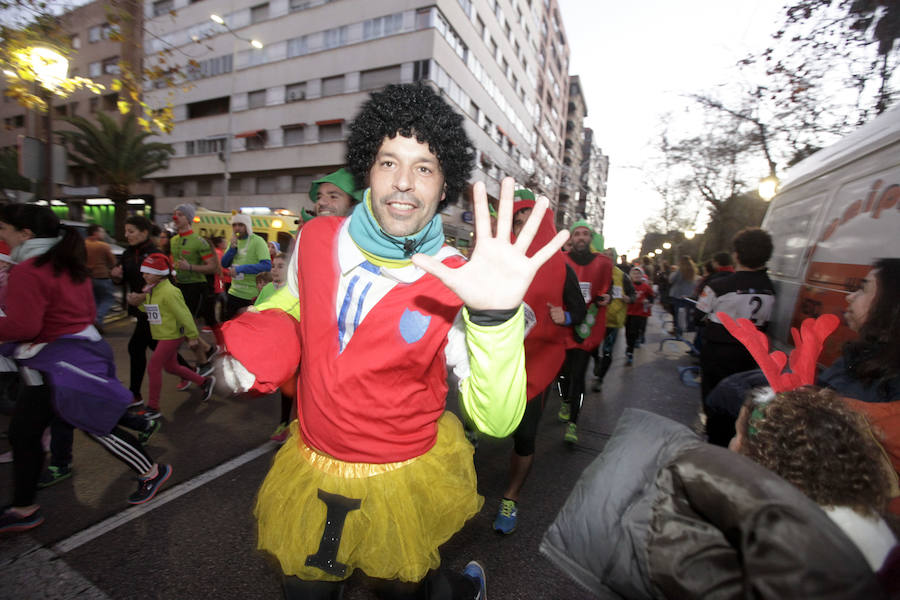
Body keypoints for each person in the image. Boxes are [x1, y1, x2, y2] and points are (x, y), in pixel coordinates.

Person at [216, 83, 567, 599]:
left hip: (403, 475)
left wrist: (494, 317)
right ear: (368, 170)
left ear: (444, 186)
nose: (403, 182)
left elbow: (496, 421)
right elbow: (292, 301)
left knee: (406, 589)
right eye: (389, 162)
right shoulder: (315, 239)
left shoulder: (461, 279)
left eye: (424, 167)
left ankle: (458, 590)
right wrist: (257, 343)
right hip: (313, 463)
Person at [0, 204, 171, 533]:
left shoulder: (30, 269)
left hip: (62, 363)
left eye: (4, 229)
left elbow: (25, 326)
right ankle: (24, 506)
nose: (1, 236)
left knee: (92, 425)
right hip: (70, 357)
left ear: (25, 234)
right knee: (26, 432)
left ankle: (152, 471)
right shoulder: (63, 262)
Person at [491, 190, 585, 535]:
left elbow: (580, 311)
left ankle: (511, 497)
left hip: (536, 366)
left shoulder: (561, 268)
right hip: (495, 361)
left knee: (525, 436)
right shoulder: (498, 260)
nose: (521, 227)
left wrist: (566, 315)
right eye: (516, 221)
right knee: (479, 423)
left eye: (527, 219)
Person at [730, 386, 897, 572]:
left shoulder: (808, 536)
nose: (733, 444)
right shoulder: (854, 512)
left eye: (737, 434)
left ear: (766, 458)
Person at [126, 253, 216, 419]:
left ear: (160, 274)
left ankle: (153, 407)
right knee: (171, 367)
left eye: (149, 272)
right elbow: (153, 309)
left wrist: (192, 336)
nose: (144, 275)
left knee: (153, 367)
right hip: (163, 334)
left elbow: (184, 315)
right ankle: (204, 381)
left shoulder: (169, 292)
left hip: (172, 335)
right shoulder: (152, 288)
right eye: (144, 272)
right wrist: (137, 303)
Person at [696, 227, 775, 400]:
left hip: (719, 349)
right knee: (740, 397)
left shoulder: (718, 286)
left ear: (736, 255)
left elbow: (698, 316)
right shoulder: (771, 288)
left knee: (714, 396)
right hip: (751, 351)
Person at [558, 220, 612, 443]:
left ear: (590, 238)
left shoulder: (603, 263)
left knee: (579, 375)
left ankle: (573, 423)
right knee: (562, 373)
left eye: (585, 234)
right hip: (563, 324)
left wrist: (608, 297)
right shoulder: (561, 260)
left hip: (587, 326)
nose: (581, 237)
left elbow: (607, 289)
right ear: (571, 238)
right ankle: (565, 400)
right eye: (577, 233)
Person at [170, 203, 220, 361]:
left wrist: (190, 267)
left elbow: (212, 267)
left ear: (189, 219)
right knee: (181, 326)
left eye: (180, 215)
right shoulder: (173, 240)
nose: (175, 217)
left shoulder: (199, 241)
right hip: (179, 287)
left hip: (196, 288)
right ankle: (207, 351)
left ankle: (204, 360)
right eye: (175, 214)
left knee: (186, 327)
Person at [591, 247, 634, 392]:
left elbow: (632, 294)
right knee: (592, 347)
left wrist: (629, 298)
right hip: (596, 318)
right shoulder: (595, 272)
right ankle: (597, 360)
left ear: (615, 259)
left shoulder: (622, 276)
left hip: (613, 321)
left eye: (610, 255)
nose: (607, 257)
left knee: (607, 351)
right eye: (605, 255)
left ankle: (600, 379)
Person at [220, 213, 271, 320]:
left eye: (240, 225)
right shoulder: (233, 241)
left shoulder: (258, 241)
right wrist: (232, 249)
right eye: (234, 225)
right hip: (233, 292)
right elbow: (224, 264)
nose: (237, 228)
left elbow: (266, 266)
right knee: (227, 324)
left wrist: (240, 269)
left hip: (251, 295)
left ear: (247, 226)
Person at [84, 224, 116, 330]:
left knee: (94, 300)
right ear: (95, 233)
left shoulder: (83, 245)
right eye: (102, 232)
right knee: (108, 298)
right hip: (102, 276)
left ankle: (94, 322)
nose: (103, 234)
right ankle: (97, 319)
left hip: (87, 277)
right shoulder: (103, 246)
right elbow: (112, 262)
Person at [624, 266, 654, 366]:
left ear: (642, 275)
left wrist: (649, 302)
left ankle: (630, 351)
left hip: (639, 313)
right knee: (628, 332)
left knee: (634, 332)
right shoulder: (628, 285)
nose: (636, 275)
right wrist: (625, 298)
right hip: (628, 312)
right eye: (634, 273)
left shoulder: (646, 286)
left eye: (638, 274)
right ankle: (629, 346)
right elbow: (623, 295)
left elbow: (651, 296)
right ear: (631, 275)